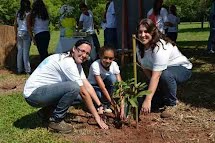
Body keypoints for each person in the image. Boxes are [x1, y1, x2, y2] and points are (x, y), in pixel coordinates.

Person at [23, 39, 108, 133]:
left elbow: (87, 85)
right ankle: (56, 121)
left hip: (43, 92)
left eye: (87, 53)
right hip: (34, 95)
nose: (84, 55)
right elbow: (84, 92)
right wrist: (97, 117)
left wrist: (99, 105)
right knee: (74, 87)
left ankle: (45, 112)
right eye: (82, 51)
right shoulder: (68, 63)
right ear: (74, 49)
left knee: (78, 96)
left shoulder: (76, 63)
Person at [136, 19, 192, 118]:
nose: (142, 35)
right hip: (161, 72)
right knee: (144, 97)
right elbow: (145, 68)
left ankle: (172, 104)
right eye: (140, 32)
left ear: (153, 32)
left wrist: (148, 100)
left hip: (181, 68)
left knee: (165, 75)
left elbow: (156, 75)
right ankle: (163, 95)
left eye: (146, 32)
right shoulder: (139, 47)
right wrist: (154, 88)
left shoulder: (160, 47)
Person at [88, 46, 122, 113]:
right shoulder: (95, 65)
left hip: (106, 84)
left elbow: (120, 84)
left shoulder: (114, 65)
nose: (108, 61)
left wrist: (122, 104)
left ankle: (106, 103)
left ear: (114, 58)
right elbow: (102, 87)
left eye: (110, 58)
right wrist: (114, 105)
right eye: (105, 58)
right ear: (100, 56)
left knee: (112, 78)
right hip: (94, 86)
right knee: (99, 94)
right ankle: (100, 104)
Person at [14, 0, 31, 74]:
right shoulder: (28, 12)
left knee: (19, 52)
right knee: (25, 53)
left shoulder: (18, 12)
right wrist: (32, 36)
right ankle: (27, 70)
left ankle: (19, 69)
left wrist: (15, 34)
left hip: (19, 33)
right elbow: (28, 25)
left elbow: (15, 24)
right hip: (26, 33)